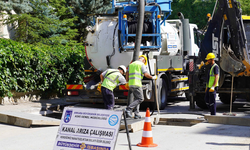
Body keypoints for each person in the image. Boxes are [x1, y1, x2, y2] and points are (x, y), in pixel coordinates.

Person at [125, 55, 157, 119]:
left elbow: (127, 73)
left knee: (136, 99)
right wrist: (153, 77)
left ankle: (136, 114)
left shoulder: (131, 64)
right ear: (144, 60)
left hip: (131, 84)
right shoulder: (141, 64)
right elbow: (146, 74)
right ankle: (128, 109)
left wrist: (127, 81)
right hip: (137, 84)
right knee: (140, 99)